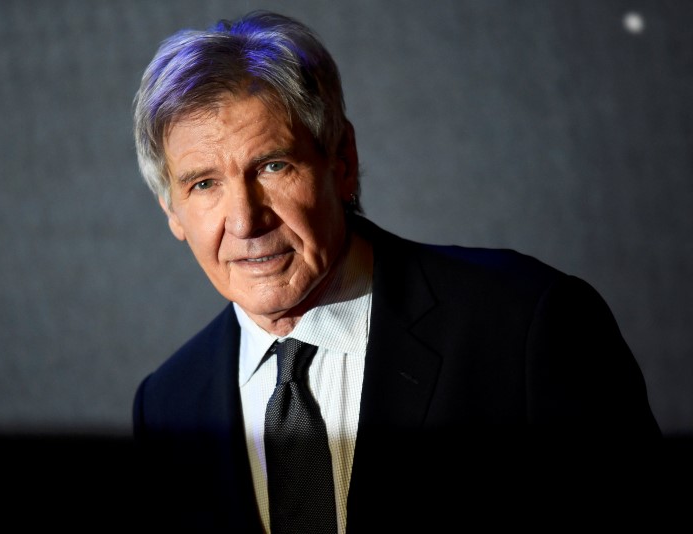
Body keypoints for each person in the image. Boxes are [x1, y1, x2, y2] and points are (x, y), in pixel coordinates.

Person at [131, 10, 660, 532]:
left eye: (273, 165)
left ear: (341, 161)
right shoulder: (168, 403)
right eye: (203, 184)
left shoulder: (525, 325)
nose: (245, 220)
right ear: (172, 212)